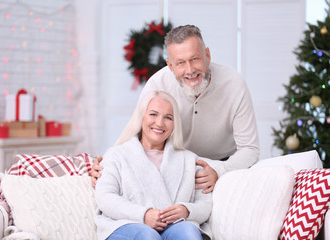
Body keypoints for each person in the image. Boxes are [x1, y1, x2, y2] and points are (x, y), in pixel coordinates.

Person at [92, 24, 259, 193]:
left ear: (207, 55)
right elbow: (136, 132)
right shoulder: (157, 85)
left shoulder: (234, 84)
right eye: (180, 63)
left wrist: (220, 171)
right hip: (178, 166)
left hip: (225, 164)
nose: (190, 70)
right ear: (170, 66)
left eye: (195, 59)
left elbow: (250, 149)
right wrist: (107, 165)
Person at [94, 91, 212, 240]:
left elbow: (205, 204)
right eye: (153, 114)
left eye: (168, 117)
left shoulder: (190, 160)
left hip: (174, 227)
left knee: (188, 231)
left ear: (175, 124)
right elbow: (105, 197)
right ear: (141, 117)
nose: (160, 123)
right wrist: (144, 215)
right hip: (126, 225)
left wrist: (187, 210)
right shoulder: (117, 155)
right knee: (148, 235)